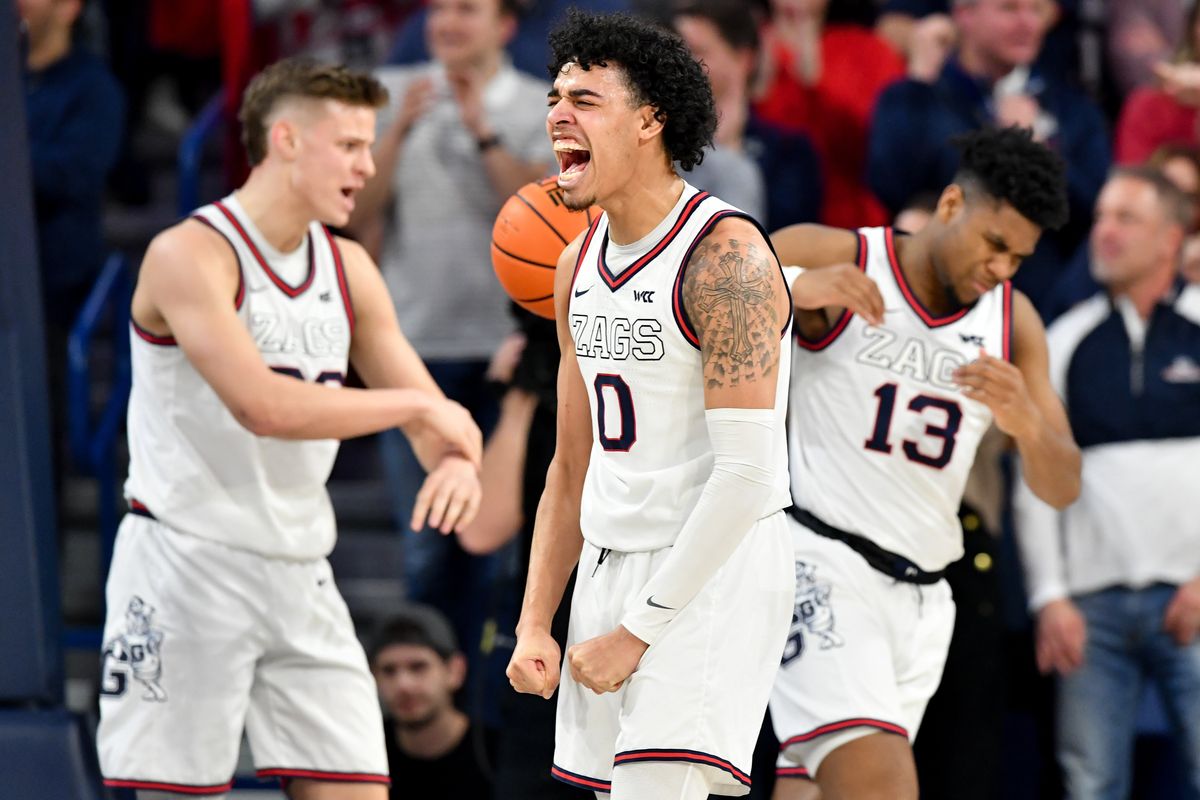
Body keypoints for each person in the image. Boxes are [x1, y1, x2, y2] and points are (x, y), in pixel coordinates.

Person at [95, 57, 484, 799]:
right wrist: (418, 411)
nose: (368, 167)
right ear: (287, 141)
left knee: (359, 789)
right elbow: (264, 407)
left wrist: (455, 460)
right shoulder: (189, 254)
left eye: (370, 147)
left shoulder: (349, 268)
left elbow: (442, 424)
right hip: (187, 563)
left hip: (301, 567)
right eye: (350, 146)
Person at [505, 11, 795, 799]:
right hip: (610, 559)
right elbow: (571, 465)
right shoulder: (574, 265)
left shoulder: (725, 258)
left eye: (587, 100)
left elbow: (746, 474)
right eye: (556, 97)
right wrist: (538, 619)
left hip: (713, 569)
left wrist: (639, 632)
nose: (558, 113)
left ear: (649, 120)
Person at [767, 126, 1081, 800]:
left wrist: (1027, 424)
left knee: (811, 788)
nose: (1001, 268)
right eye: (995, 244)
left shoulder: (1012, 322)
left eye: (1019, 258)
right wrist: (792, 286)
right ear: (948, 206)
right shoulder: (839, 254)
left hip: (926, 596)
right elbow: (703, 291)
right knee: (881, 787)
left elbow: (1062, 485)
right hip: (818, 562)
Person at [349, 0, 551, 654]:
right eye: (439, 10)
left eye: (467, 9)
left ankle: (485, 708)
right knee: (426, 550)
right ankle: (431, 691)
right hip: (413, 353)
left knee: (493, 548)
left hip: (506, 353)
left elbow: (544, 211)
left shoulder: (539, 104)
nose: (448, 23)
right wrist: (395, 135)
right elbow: (356, 215)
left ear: (505, 27)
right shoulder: (391, 95)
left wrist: (482, 130)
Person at [1014, 166, 1200, 800]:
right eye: (1102, 218)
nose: (1106, 232)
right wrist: (1049, 597)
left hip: (1195, 593)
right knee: (1090, 785)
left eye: (1127, 219)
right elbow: (1034, 480)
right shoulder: (1061, 341)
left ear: (1171, 239)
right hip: (1088, 611)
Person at [868, 0, 1110, 310]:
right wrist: (920, 80)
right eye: (1009, 9)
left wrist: (1038, 149)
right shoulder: (920, 95)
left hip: (1036, 306)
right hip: (928, 298)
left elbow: (1091, 212)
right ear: (964, 15)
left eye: (1035, 11)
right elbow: (892, 182)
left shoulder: (1073, 109)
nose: (1027, 24)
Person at [672, 0, 823, 232]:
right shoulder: (657, 137)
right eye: (677, 51)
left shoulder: (788, 150)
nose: (680, 63)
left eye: (697, 51)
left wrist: (727, 154)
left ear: (743, 58)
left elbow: (790, 234)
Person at [369, 604, 496, 799]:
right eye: (389, 670)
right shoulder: (367, 754)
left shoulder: (495, 755)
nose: (403, 685)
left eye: (418, 667)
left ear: (455, 671)